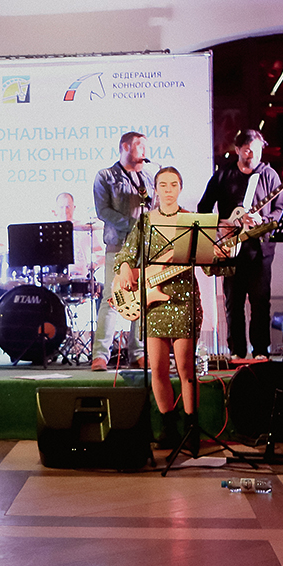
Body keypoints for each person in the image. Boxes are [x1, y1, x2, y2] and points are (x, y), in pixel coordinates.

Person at [113, 166, 204, 448]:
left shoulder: (192, 221)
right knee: (158, 369)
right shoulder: (145, 220)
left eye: (173, 184)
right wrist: (125, 267)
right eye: (163, 185)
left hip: (183, 298)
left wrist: (222, 254)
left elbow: (210, 264)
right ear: (155, 189)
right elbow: (127, 254)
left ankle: (191, 429)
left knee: (186, 369)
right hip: (154, 300)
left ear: (180, 187)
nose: (168, 190)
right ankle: (168, 430)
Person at [197, 129, 283, 360]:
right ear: (237, 150)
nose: (252, 155)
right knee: (233, 303)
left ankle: (260, 351)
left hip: (260, 250)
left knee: (260, 302)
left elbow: (280, 209)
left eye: (256, 150)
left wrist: (263, 220)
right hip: (230, 249)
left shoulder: (269, 175)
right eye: (247, 150)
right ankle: (236, 351)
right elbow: (203, 208)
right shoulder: (223, 176)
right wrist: (221, 225)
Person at [91, 132, 153, 371]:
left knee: (142, 297)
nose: (144, 150)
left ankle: (138, 352)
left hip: (144, 248)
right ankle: (100, 355)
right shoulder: (105, 176)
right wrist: (134, 226)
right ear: (125, 147)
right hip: (118, 245)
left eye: (146, 146)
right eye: (139, 145)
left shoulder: (148, 177)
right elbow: (103, 211)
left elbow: (154, 208)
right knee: (112, 298)